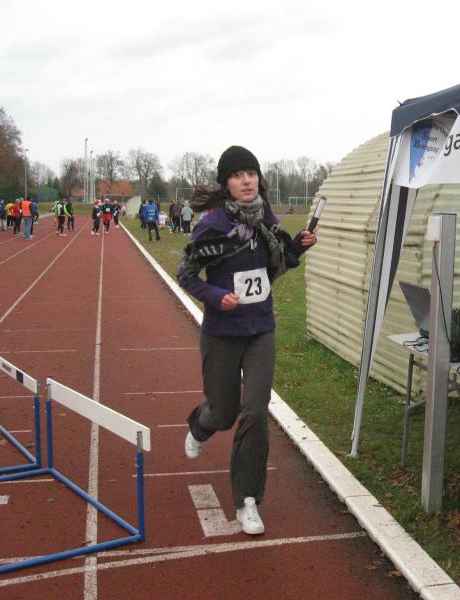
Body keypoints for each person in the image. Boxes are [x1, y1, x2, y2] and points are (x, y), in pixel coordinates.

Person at [177, 145, 317, 536]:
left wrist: (296, 247)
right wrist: (214, 296)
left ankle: (247, 500)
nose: (247, 180)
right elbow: (186, 273)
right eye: (238, 175)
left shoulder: (267, 218)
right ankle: (201, 424)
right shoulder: (213, 225)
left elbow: (273, 269)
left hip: (260, 330)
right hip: (222, 333)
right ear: (226, 183)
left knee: (255, 411)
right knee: (224, 413)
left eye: (251, 173)